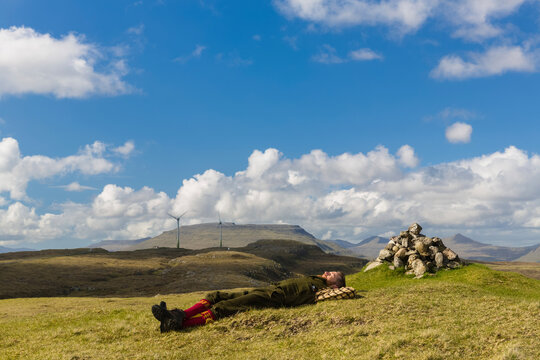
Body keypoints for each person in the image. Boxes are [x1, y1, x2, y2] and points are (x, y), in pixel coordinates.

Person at [151, 271, 346, 332]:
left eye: (333, 275)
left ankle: (180, 323)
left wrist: (336, 290)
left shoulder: (322, 289)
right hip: (269, 289)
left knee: (224, 308)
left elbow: (347, 293)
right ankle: (179, 316)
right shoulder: (316, 279)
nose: (328, 272)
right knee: (216, 295)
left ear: (335, 286)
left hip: (273, 298)